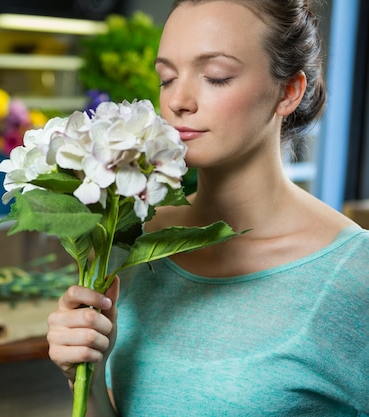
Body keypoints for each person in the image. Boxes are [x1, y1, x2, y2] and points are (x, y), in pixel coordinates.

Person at [46, 0, 369, 416]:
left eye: (216, 77)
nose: (179, 100)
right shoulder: (126, 241)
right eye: (167, 78)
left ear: (288, 91)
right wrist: (84, 373)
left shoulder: (354, 278)